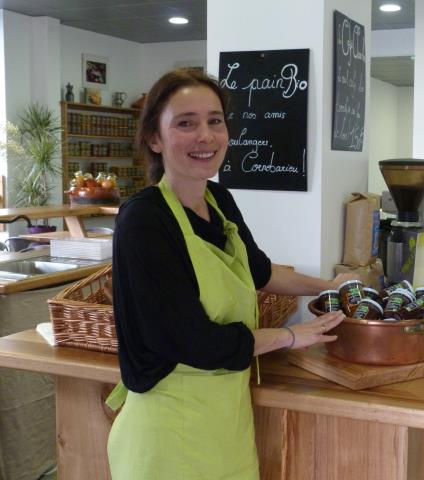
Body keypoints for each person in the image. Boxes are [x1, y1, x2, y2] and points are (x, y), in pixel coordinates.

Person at [106, 69, 352, 479]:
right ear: (154, 138)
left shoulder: (218, 199)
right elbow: (195, 342)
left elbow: (259, 270)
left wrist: (329, 287)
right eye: (186, 123)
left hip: (226, 426)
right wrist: (290, 337)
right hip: (168, 435)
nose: (205, 135)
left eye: (215, 121)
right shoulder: (144, 220)